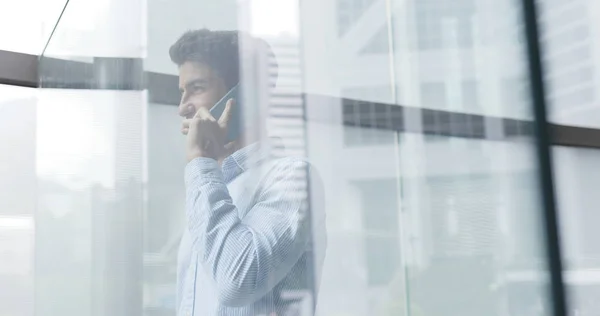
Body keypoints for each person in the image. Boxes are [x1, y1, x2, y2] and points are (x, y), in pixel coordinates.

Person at [170, 29, 325, 316]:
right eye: (182, 92)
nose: (183, 107)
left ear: (245, 95)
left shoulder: (292, 178)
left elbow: (237, 281)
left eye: (197, 88)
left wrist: (201, 163)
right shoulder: (210, 187)